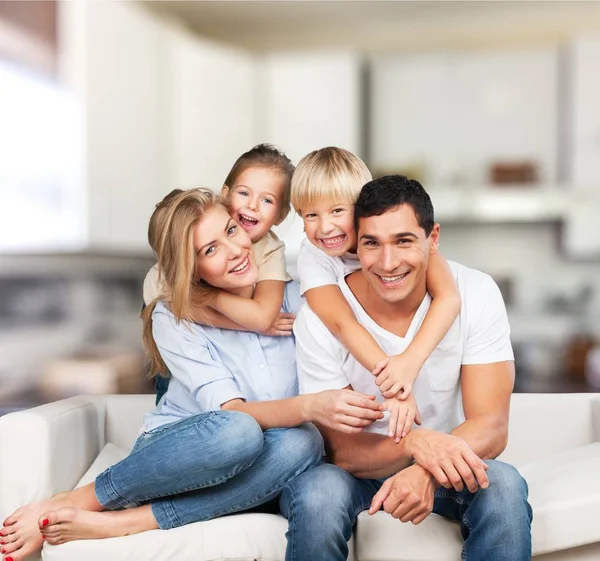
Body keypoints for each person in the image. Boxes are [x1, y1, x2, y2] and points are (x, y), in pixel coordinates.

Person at [0, 189, 384, 560]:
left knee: (310, 453)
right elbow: (234, 413)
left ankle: (132, 522)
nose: (234, 251)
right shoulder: (175, 317)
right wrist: (310, 405)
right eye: (210, 250)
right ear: (191, 267)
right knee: (240, 430)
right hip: (185, 456)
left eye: (231, 231)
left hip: (273, 464)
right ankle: (77, 501)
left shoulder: (301, 299)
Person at [280, 175, 533, 561]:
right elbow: (342, 449)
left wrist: (427, 469)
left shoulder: (475, 292)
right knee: (318, 492)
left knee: (503, 485)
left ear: (432, 239)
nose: (387, 262)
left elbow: (492, 426)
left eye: (403, 241)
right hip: (356, 473)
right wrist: (414, 443)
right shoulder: (320, 317)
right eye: (371, 243)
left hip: (447, 463)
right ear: (354, 244)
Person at [291, 147, 461, 440]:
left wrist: (410, 362)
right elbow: (342, 323)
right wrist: (395, 385)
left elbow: (449, 298)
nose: (325, 227)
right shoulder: (314, 256)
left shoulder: (400, 236)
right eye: (310, 215)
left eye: (337, 211)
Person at [146, 144, 297, 403]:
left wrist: (210, 298)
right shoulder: (179, 256)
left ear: (281, 216)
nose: (252, 206)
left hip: (211, 310)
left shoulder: (270, 250)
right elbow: (175, 308)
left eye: (267, 200)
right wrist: (212, 300)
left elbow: (262, 317)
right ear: (225, 195)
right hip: (173, 318)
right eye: (244, 193)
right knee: (173, 380)